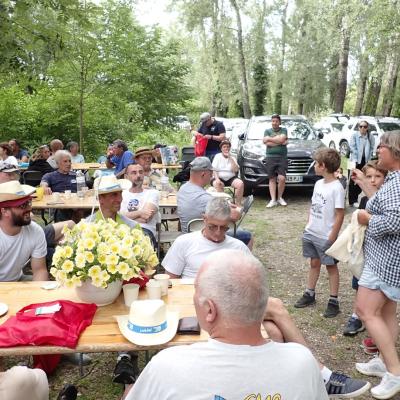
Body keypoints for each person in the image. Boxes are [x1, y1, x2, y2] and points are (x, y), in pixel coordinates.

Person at [125, 249, 369, 400]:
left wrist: (131, 385)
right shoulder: (303, 362)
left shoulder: (167, 367)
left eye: (196, 292)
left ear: (210, 310)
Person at [351, 132, 400, 399]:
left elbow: (394, 222)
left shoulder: (397, 182)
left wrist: (364, 217)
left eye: (382, 146)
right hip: (391, 260)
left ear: (395, 151)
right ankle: (384, 361)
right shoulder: (393, 179)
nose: (378, 149)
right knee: (386, 312)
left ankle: (395, 373)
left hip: (386, 261)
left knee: (366, 311)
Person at [294, 148, 345, 318]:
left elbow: (340, 214)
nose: (314, 166)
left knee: (331, 266)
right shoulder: (318, 184)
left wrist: (332, 237)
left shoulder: (337, 188)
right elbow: (313, 205)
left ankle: (333, 301)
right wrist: (308, 225)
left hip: (326, 236)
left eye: (316, 163)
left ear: (323, 166)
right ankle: (310, 294)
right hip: (311, 232)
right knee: (314, 263)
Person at [343, 160, 387, 337]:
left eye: (378, 176)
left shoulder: (389, 202)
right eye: (368, 176)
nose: (373, 180)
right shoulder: (363, 200)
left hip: (381, 253)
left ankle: (377, 320)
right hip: (363, 251)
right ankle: (357, 315)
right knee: (359, 284)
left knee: (381, 291)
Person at [163, 197, 250, 279]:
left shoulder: (239, 248)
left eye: (224, 228)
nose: (218, 233)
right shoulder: (183, 242)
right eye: (212, 226)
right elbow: (171, 280)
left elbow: (248, 281)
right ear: (204, 219)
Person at [177, 157, 253, 248]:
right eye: (211, 173)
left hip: (187, 234)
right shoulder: (206, 199)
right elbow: (235, 216)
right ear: (203, 174)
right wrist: (233, 207)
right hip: (205, 238)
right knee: (248, 236)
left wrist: (223, 204)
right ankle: (239, 261)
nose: (212, 176)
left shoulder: (183, 189)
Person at [0, 180, 49, 281]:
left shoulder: (35, 231)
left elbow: (40, 270)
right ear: (4, 211)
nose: (29, 208)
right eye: (22, 205)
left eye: (28, 202)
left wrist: (39, 294)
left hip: (17, 280)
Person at [121, 163, 160, 239]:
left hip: (144, 231)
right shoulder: (121, 194)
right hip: (122, 231)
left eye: (141, 172)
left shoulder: (152, 193)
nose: (138, 175)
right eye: (134, 173)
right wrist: (140, 213)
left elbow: (146, 218)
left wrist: (122, 217)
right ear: (126, 177)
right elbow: (113, 217)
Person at [263, 114, 288, 207]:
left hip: (282, 157)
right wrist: (279, 142)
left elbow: (282, 139)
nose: (274, 123)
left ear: (279, 122)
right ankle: (273, 200)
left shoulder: (284, 130)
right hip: (270, 157)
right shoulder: (267, 131)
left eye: (276, 121)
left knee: (282, 178)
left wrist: (270, 140)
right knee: (272, 178)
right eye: (273, 121)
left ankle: (280, 198)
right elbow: (265, 142)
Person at [348, 120, 375, 207]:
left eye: (365, 126)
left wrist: (369, 161)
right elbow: (352, 148)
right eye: (361, 126)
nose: (362, 128)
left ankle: (355, 198)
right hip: (354, 161)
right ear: (358, 127)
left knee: (362, 179)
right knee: (352, 180)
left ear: (367, 128)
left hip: (365, 161)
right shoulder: (354, 136)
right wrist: (355, 162)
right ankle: (352, 200)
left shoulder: (370, 137)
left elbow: (371, 149)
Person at [211, 139, 244, 205]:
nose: (226, 148)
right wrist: (217, 179)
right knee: (218, 184)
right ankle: (223, 204)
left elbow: (236, 170)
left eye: (228, 147)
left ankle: (237, 204)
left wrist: (230, 158)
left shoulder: (233, 157)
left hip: (231, 177)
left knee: (240, 183)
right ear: (221, 149)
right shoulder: (217, 156)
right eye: (224, 147)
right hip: (219, 177)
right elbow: (214, 169)